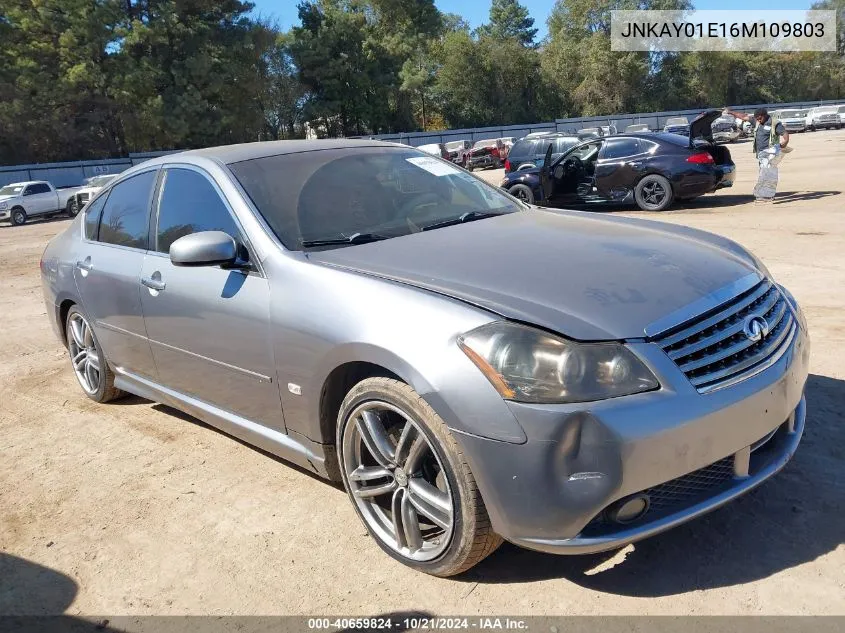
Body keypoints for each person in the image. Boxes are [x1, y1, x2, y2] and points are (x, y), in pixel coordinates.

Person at [725, 107, 789, 203]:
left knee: (767, 174)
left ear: (765, 116)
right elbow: (743, 116)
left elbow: (785, 135)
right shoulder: (757, 122)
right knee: (763, 173)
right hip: (761, 155)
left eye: (760, 118)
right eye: (757, 119)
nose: (758, 120)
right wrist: (730, 112)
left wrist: (783, 145)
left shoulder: (774, 123)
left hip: (770, 154)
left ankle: (767, 195)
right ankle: (765, 194)